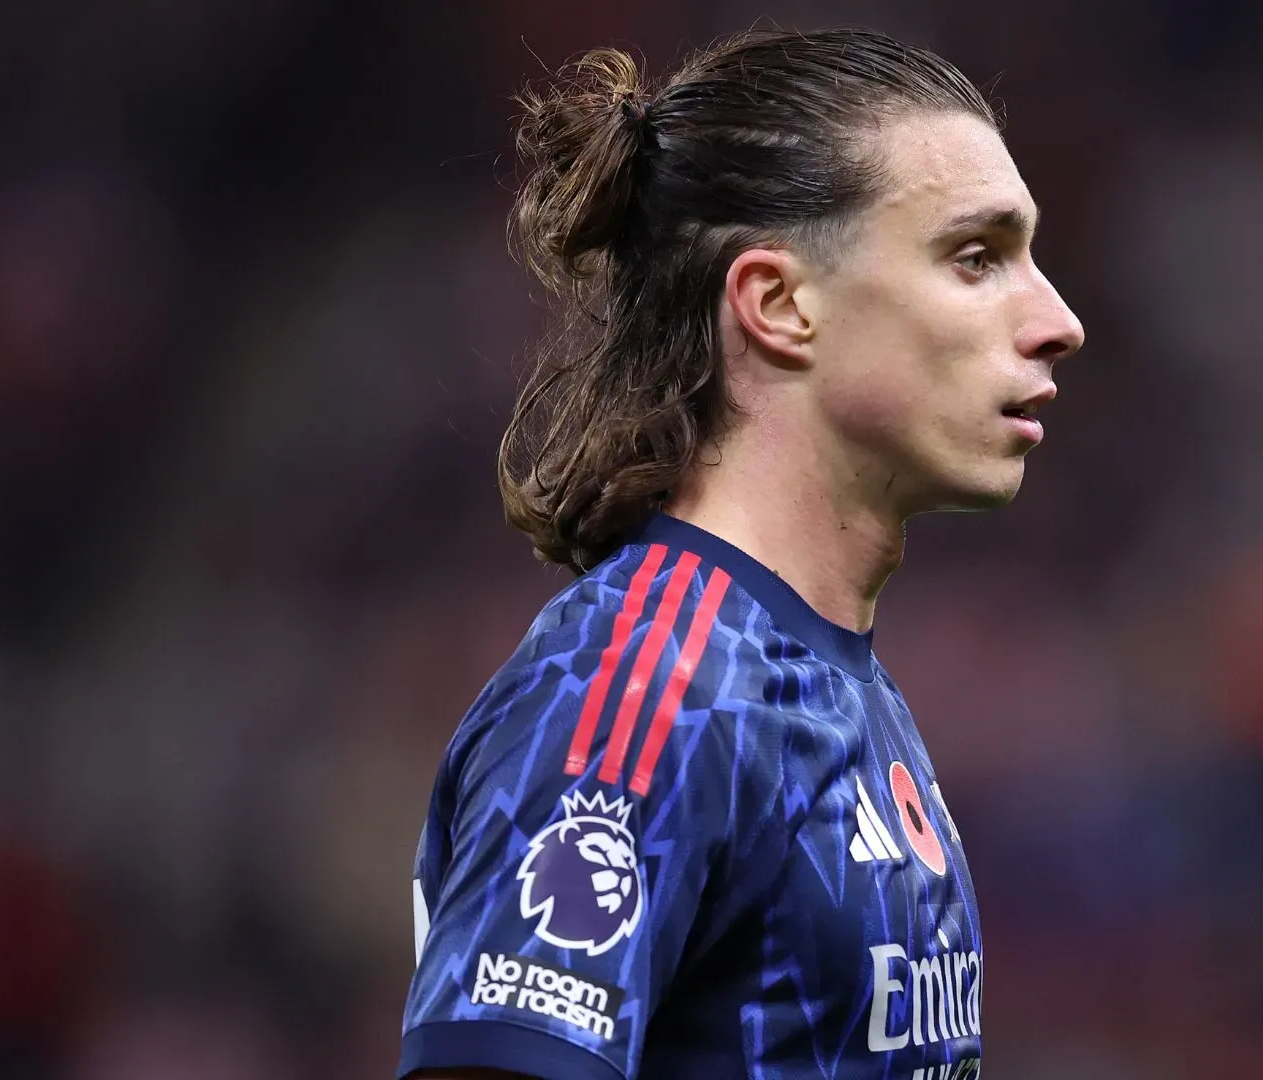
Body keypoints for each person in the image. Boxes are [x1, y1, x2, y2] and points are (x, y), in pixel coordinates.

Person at [399, 26, 1084, 1080]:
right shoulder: (649, 690)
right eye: (976, 258)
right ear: (777, 304)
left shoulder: (824, 680)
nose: (1057, 320)